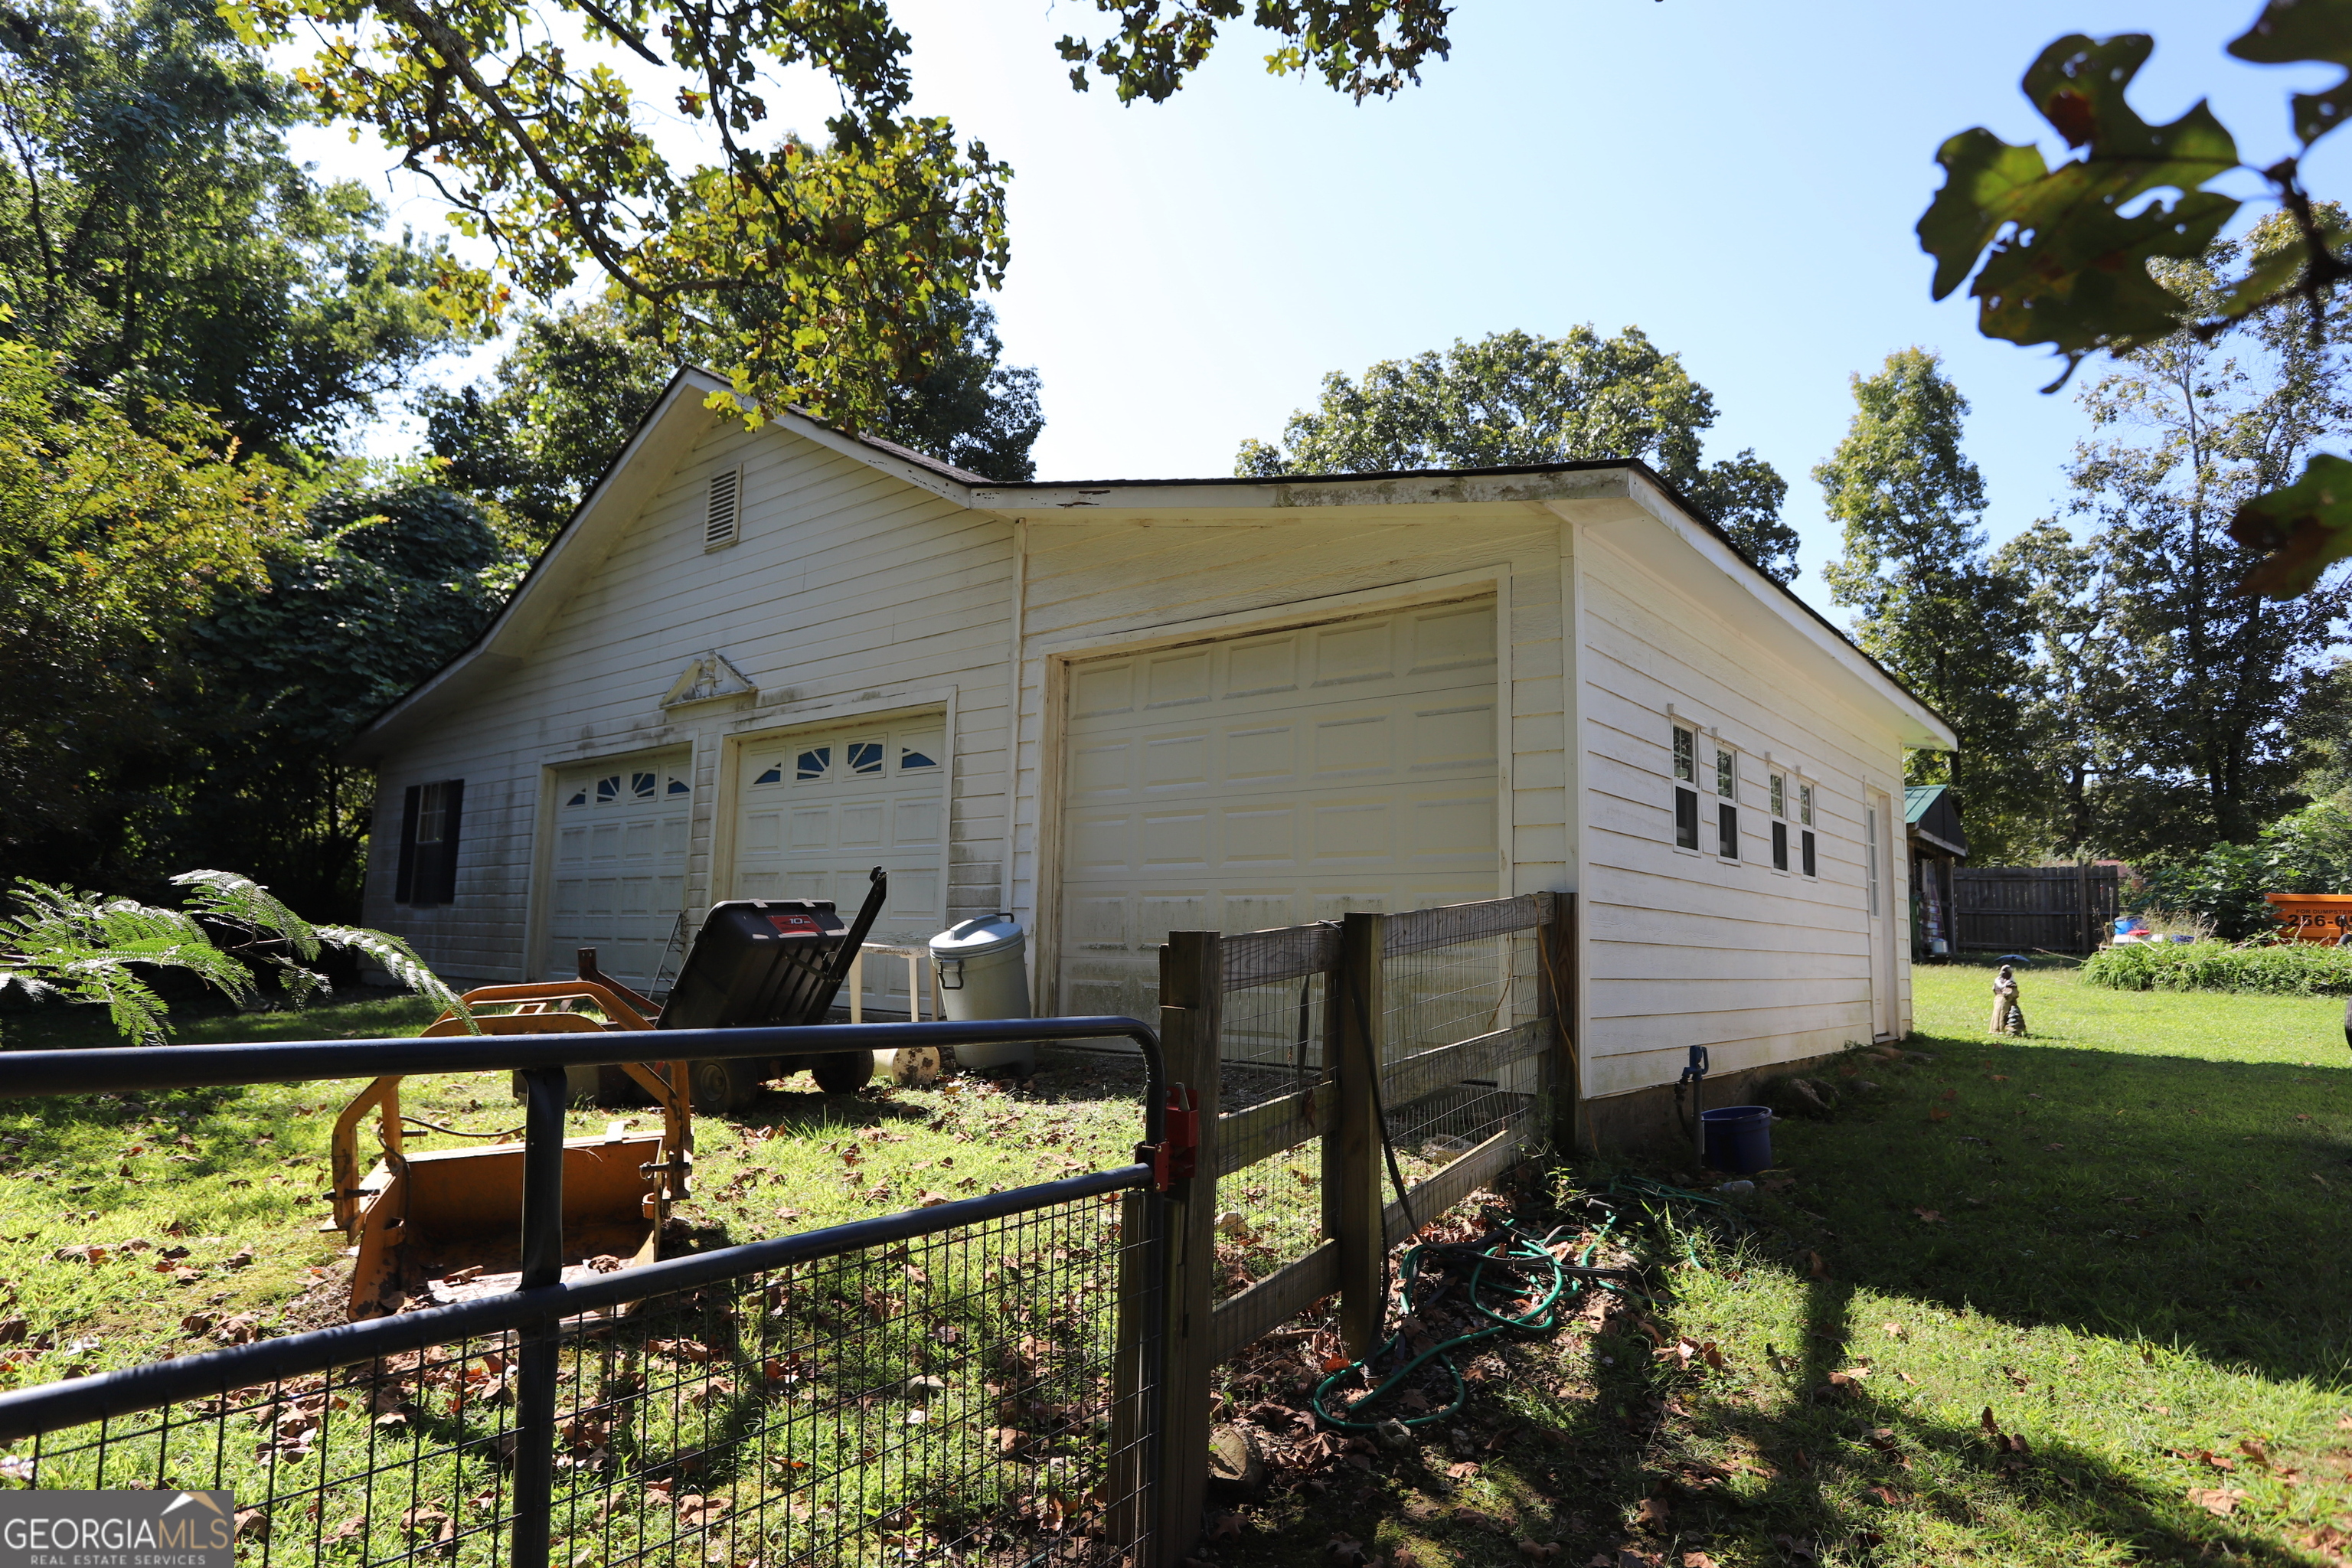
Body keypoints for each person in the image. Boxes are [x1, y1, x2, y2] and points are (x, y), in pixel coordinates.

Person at [1989, 964, 2027, 1037]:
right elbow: (2014, 993)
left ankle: (1995, 1029)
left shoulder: (1998, 981)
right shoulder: (2010, 983)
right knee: (2002, 1014)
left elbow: (1994, 989)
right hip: (2005, 1000)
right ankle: (2000, 1029)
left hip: (1998, 999)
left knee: (1997, 1014)